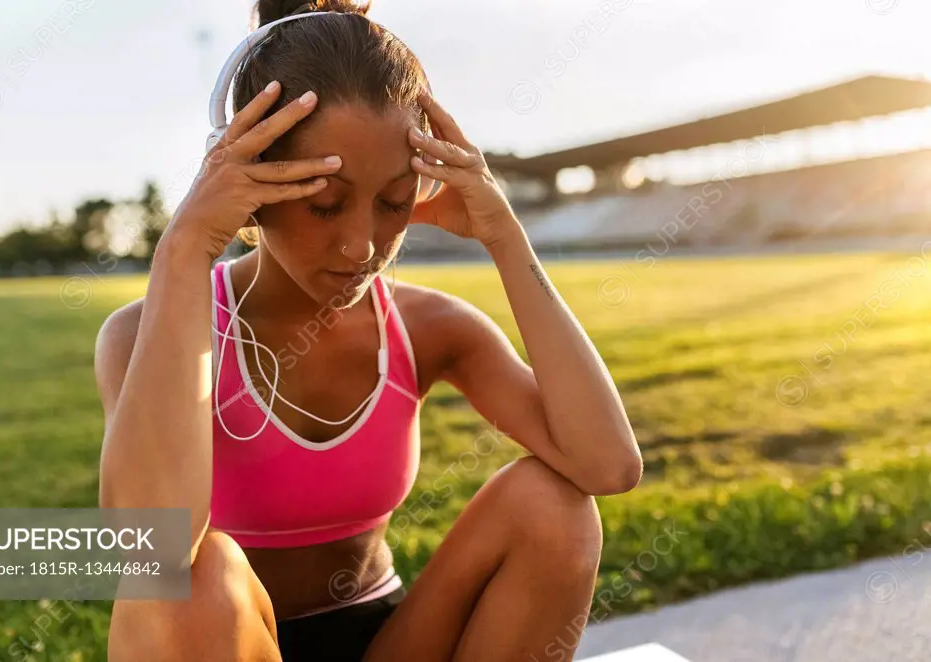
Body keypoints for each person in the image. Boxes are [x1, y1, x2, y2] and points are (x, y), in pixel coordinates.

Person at [94, 1, 643, 660]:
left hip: (389, 641)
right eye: (325, 203)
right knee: (197, 574)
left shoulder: (428, 327)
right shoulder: (140, 337)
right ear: (251, 183)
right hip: (227, 642)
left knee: (556, 507)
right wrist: (183, 250)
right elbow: (147, 552)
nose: (363, 246)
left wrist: (503, 235)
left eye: (392, 203)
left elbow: (606, 466)